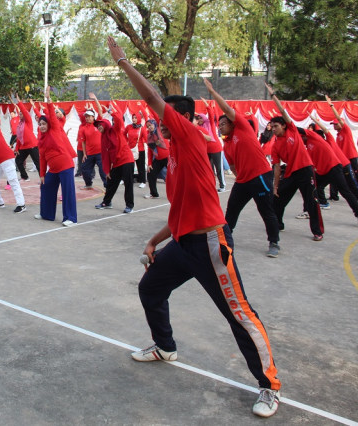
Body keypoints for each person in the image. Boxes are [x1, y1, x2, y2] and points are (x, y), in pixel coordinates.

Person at [107, 36, 281, 418]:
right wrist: (154, 241)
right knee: (151, 288)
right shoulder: (173, 160)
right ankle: (164, 346)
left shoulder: (188, 137)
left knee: (238, 313)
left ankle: (268, 386)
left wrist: (123, 62)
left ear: (179, 119)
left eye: (164, 118)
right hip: (184, 243)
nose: (158, 122)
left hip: (210, 244)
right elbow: (178, 210)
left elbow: (154, 99)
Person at [203, 79, 281, 257]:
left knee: (266, 211)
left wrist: (213, 93)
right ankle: (223, 241)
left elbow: (227, 110)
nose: (220, 126)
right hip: (243, 181)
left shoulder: (243, 129)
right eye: (219, 125)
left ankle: (274, 242)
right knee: (231, 211)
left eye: (223, 124)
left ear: (232, 123)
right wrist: (240, 177)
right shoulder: (227, 144)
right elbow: (232, 165)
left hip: (261, 176)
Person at [265, 84, 324, 241]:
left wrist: (273, 96)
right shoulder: (275, 145)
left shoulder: (292, 130)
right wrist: (275, 186)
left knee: (311, 202)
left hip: (305, 171)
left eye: (276, 126)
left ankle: (317, 231)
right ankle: (278, 224)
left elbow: (283, 111)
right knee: (277, 199)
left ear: (284, 125)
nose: (274, 129)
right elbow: (276, 167)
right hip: (291, 173)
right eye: (272, 127)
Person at [33, 88, 77, 226]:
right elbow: (42, 158)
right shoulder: (41, 139)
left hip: (65, 166)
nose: (41, 126)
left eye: (44, 124)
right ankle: (46, 213)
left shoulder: (55, 130)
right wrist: (42, 174)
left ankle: (71, 218)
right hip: (53, 169)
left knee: (68, 192)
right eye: (40, 124)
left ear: (49, 124)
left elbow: (52, 116)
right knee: (45, 185)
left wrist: (49, 101)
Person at [90, 95, 135, 213]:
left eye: (100, 125)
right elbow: (105, 155)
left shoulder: (115, 130)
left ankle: (129, 205)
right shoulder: (103, 138)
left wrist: (110, 111)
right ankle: (107, 202)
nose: (99, 127)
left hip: (126, 159)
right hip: (116, 163)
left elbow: (119, 119)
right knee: (111, 183)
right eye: (97, 126)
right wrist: (107, 170)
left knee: (128, 183)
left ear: (105, 124)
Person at [10, 94, 40, 182]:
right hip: (23, 147)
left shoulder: (28, 122)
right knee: (18, 161)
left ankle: (43, 179)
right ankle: (25, 177)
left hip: (32, 145)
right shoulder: (20, 125)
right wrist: (16, 148)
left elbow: (23, 110)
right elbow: (19, 138)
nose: (20, 114)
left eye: (22, 113)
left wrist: (19, 102)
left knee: (37, 162)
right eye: (19, 114)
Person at [78, 102, 107, 190]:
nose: (87, 118)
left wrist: (95, 100)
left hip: (100, 153)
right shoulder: (83, 128)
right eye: (86, 116)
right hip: (89, 153)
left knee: (103, 171)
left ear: (93, 117)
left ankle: (107, 186)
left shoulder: (98, 124)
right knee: (84, 169)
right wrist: (84, 154)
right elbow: (83, 142)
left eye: (89, 116)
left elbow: (100, 111)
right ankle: (88, 184)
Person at [144, 118, 169, 199]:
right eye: (147, 126)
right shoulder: (149, 136)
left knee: (174, 175)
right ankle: (154, 194)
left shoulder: (160, 131)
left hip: (168, 157)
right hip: (158, 159)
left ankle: (180, 192)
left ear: (154, 124)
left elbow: (158, 117)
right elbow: (150, 151)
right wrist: (149, 163)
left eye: (150, 125)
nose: (149, 127)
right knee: (150, 173)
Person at [124, 107, 147, 188]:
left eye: (135, 117)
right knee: (129, 166)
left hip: (140, 149)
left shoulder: (142, 128)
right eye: (133, 117)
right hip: (130, 149)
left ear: (139, 118)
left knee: (140, 166)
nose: (134, 119)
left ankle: (143, 181)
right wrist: (126, 142)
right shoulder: (129, 127)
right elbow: (124, 134)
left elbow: (146, 138)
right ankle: (128, 180)